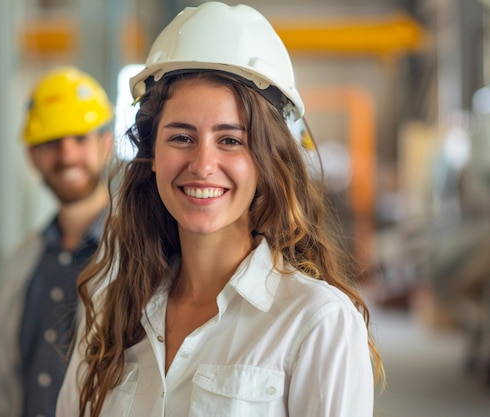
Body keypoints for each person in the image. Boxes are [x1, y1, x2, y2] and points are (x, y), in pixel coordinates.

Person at [56, 2, 383, 416]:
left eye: (230, 140)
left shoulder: (317, 322)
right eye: (181, 137)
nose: (203, 165)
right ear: (152, 154)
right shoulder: (110, 310)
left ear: (267, 160)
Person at [0, 66, 114, 417]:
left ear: (106, 145)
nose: (67, 156)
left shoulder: (140, 253)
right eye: (52, 143)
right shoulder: (24, 260)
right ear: (33, 157)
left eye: (79, 139)